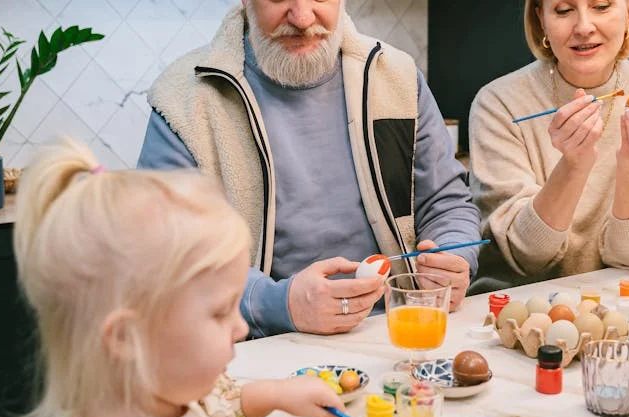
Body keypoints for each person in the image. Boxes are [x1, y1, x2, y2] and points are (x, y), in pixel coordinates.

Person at [138, 0, 481, 338]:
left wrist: (453, 256)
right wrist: (278, 304)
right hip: (259, 344)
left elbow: (446, 203)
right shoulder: (183, 99)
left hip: (397, 329)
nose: (302, 17)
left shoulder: (397, 77)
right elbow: (167, 256)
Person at [14, 139, 349, 417]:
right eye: (220, 313)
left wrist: (276, 395)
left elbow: (211, 412)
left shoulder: (135, 402)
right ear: (126, 336)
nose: (240, 326)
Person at [468, 0, 629, 293]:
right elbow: (528, 256)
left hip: (618, 305)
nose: (584, 27)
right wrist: (573, 165)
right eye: (563, 10)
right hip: (511, 307)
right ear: (541, 19)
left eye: (601, 6)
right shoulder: (499, 104)